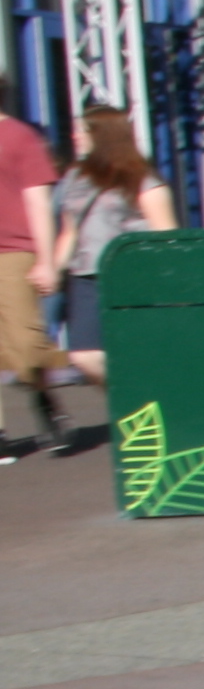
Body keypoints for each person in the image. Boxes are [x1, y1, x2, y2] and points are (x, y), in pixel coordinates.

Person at [33, 106, 177, 395]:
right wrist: (52, 269)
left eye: (82, 130)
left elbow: (167, 235)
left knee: (132, 349)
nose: (75, 136)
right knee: (84, 355)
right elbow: (70, 231)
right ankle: (136, 397)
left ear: (104, 135)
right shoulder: (75, 177)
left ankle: (146, 401)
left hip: (131, 274)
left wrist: (164, 280)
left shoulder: (140, 177)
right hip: (85, 275)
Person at [0, 106, 65, 460]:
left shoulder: (20, 137)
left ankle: (43, 395)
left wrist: (47, 260)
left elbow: (39, 203)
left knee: (26, 347)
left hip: (13, 252)